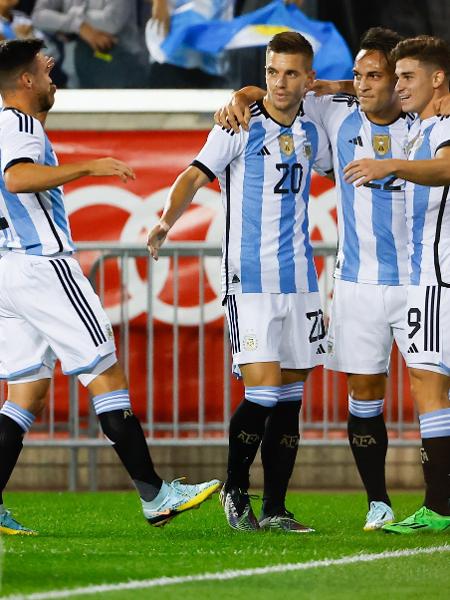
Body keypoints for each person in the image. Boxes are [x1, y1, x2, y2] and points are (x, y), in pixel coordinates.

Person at [0, 38, 220, 536]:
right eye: (43, 66)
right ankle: (155, 494)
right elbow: (16, 179)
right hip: (43, 266)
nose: (52, 68)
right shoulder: (18, 124)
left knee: (26, 394)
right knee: (106, 375)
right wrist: (89, 166)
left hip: (9, 272)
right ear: (26, 81)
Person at [215, 27, 416, 531]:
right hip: (353, 282)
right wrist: (244, 93)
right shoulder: (333, 114)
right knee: (354, 389)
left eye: (377, 76)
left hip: (423, 281)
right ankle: (374, 502)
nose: (364, 84)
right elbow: (290, 88)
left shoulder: (428, 123)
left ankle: (277, 506)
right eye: (358, 75)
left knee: (432, 392)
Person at [148, 31, 332, 532]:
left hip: (300, 280)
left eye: (291, 73)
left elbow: (350, 94)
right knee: (264, 394)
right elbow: (192, 175)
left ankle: (275, 508)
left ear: (307, 78)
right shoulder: (239, 126)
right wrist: (166, 221)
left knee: (291, 397)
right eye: (272, 72)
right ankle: (235, 488)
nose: (278, 82)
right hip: (248, 279)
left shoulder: (315, 124)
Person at [343, 35, 450, 533]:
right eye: (398, 76)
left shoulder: (442, 124)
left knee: (430, 389)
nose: (399, 85)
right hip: (422, 279)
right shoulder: (426, 123)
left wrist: (390, 165)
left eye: (407, 77)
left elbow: (448, 167)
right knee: (430, 386)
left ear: (437, 78)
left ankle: (439, 507)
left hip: (435, 278)